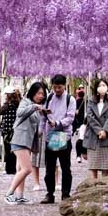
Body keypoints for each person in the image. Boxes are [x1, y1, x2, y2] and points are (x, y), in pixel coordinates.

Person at [5, 81, 48, 203]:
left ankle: (19, 196)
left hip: (27, 141)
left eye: (43, 94)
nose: (41, 96)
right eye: (39, 93)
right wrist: (34, 107)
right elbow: (19, 113)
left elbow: (35, 125)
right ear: (33, 92)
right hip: (20, 139)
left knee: (20, 169)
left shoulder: (36, 106)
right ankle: (9, 194)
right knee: (27, 169)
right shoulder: (26, 102)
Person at [40, 74, 77, 204]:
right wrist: (40, 130)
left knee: (65, 167)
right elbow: (43, 116)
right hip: (50, 137)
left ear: (64, 86)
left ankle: (65, 194)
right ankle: (49, 194)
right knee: (49, 168)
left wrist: (58, 123)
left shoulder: (70, 99)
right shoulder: (49, 97)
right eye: (55, 87)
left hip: (63, 136)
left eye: (59, 87)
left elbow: (70, 118)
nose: (57, 90)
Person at [83, 78, 108, 179]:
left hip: (107, 137)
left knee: (105, 167)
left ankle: (104, 188)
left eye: (104, 85)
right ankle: (94, 187)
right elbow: (90, 116)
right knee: (93, 166)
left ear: (107, 87)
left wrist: (105, 130)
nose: (102, 87)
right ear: (96, 88)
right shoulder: (91, 100)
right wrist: (99, 131)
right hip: (93, 136)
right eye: (100, 85)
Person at [0, 86, 21, 174]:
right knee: (14, 150)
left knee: (8, 151)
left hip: (7, 131)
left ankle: (9, 169)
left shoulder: (7, 105)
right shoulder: (18, 103)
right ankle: (14, 168)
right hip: (15, 130)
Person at [72, 83, 87, 161]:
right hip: (84, 121)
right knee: (82, 138)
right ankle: (83, 153)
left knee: (80, 138)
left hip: (79, 122)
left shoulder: (76, 101)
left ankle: (79, 155)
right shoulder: (85, 101)